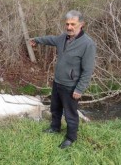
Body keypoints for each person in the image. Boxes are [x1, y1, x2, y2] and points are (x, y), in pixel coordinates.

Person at [30, 10, 96, 149]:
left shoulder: (87, 44)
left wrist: (80, 88)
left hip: (71, 86)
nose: (69, 27)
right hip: (58, 82)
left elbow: (88, 70)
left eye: (73, 24)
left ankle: (71, 138)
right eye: (67, 24)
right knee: (55, 108)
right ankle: (55, 128)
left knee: (70, 114)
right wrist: (36, 40)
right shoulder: (63, 38)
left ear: (81, 24)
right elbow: (50, 39)